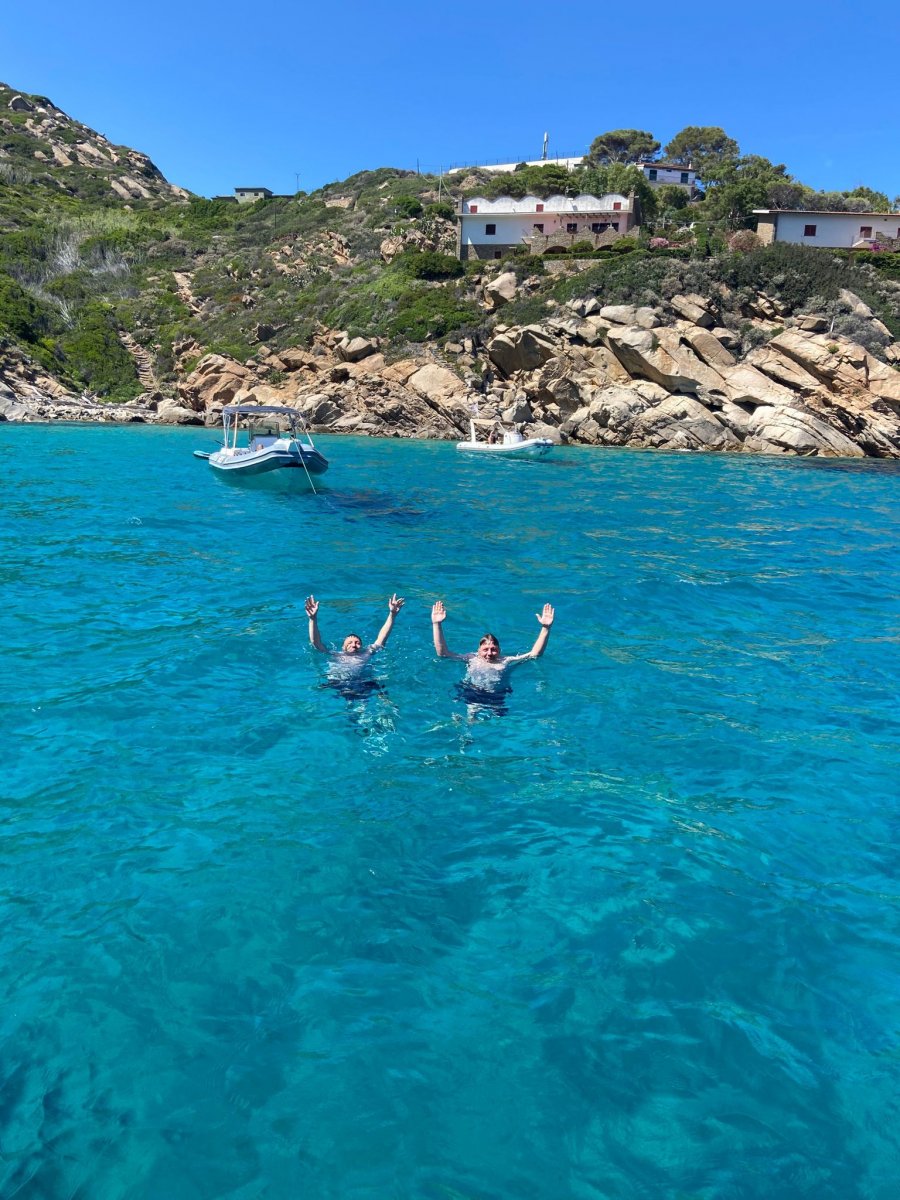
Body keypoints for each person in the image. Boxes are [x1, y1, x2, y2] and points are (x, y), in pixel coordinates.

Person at [431, 599, 555, 715]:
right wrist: (437, 624)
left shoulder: (506, 661)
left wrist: (546, 628)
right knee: (471, 717)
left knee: (499, 718)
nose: (489, 653)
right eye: (485, 650)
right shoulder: (471, 658)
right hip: (473, 691)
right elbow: (443, 653)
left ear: (499, 651)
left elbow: (534, 654)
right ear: (478, 650)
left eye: (493, 649)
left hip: (497, 694)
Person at [306, 593, 405, 703]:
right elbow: (316, 643)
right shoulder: (335, 655)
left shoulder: (366, 652)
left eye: (357, 643)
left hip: (362, 682)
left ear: (361, 646)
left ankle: (383, 706)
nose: (353, 645)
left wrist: (392, 615)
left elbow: (381, 638)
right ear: (343, 647)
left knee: (381, 690)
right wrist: (312, 619)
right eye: (349, 643)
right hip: (338, 683)